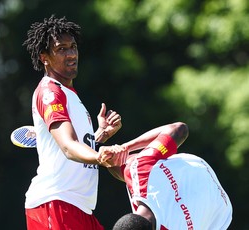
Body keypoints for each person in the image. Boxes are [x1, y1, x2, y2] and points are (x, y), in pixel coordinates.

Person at [22, 15, 124, 230]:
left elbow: (74, 147)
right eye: (61, 49)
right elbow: (68, 147)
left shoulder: (70, 94)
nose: (71, 54)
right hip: (55, 203)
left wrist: (100, 136)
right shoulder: (50, 91)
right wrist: (100, 157)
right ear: (44, 58)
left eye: (73, 47)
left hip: (79, 207)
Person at [98, 122, 233, 230]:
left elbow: (179, 128)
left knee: (131, 164)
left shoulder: (139, 169)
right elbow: (179, 128)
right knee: (132, 164)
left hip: (219, 208)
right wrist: (123, 148)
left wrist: (114, 151)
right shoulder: (140, 169)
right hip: (199, 175)